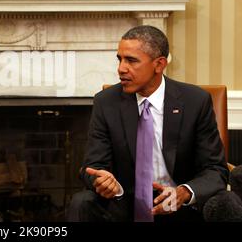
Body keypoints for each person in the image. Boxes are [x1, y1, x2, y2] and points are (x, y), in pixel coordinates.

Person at [67, 25, 228, 222]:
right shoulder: (106, 102)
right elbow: (93, 166)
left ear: (159, 65)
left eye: (131, 61)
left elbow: (215, 170)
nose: (121, 69)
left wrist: (184, 192)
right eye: (120, 59)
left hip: (178, 205)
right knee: (82, 202)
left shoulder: (195, 101)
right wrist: (104, 181)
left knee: (225, 202)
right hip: (125, 202)